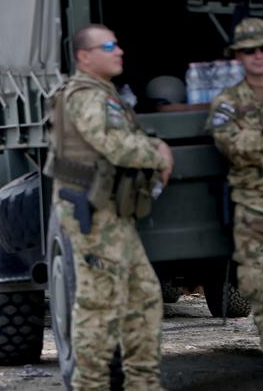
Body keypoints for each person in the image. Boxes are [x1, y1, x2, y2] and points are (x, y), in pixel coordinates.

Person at [44, 24, 173, 390]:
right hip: (93, 212)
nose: (119, 51)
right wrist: (157, 152)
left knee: (144, 295)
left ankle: (144, 383)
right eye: (109, 45)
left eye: (117, 44)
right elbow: (114, 145)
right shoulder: (85, 95)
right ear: (85, 56)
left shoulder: (104, 93)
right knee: (99, 303)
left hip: (113, 212)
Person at [208, 17, 263, 387]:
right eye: (248, 50)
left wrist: (259, 137)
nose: (258, 56)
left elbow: (249, 143)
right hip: (255, 217)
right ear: (238, 56)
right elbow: (232, 145)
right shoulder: (226, 102)